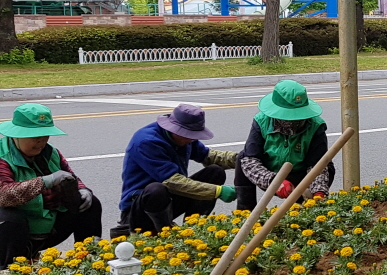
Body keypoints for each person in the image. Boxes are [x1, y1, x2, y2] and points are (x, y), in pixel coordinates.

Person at [0, 103, 101, 263]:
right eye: (34, 137)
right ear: (16, 135)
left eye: (45, 135)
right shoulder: (2, 156)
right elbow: (4, 195)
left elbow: (70, 176)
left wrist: (82, 190)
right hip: (13, 233)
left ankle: (89, 262)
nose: (41, 142)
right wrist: (46, 181)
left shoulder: (51, 152)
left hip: (49, 226)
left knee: (90, 204)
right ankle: (8, 271)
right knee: (9, 218)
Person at [115, 104, 237, 235]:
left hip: (170, 200)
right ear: (174, 129)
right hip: (141, 208)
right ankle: (166, 233)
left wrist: (241, 158)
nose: (191, 139)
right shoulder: (147, 142)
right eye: (187, 135)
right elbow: (173, 181)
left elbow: (208, 156)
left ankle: (195, 227)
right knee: (156, 189)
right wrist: (217, 191)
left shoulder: (186, 139)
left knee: (215, 172)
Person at [236, 80, 333, 210]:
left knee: (327, 166)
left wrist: (318, 194)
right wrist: (275, 182)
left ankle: (311, 210)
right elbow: (250, 160)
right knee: (242, 158)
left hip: (302, 175)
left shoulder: (315, 126)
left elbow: (317, 165)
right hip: (270, 172)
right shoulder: (261, 122)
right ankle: (245, 213)